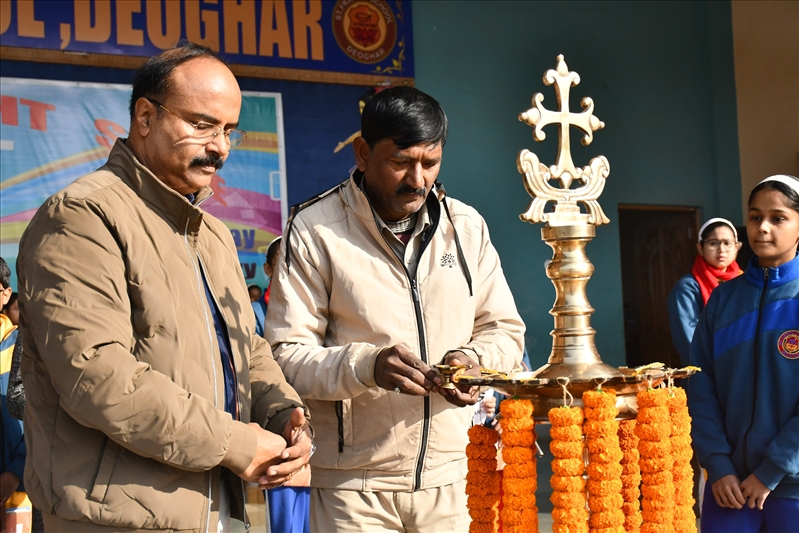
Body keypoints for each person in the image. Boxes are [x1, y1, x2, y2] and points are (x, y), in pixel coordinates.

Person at [16, 42, 312, 532]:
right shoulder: (82, 216)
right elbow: (97, 376)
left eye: (229, 131)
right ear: (145, 117)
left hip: (216, 509)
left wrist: (284, 414)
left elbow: (248, 349)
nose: (220, 147)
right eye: (202, 125)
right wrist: (237, 444)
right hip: (116, 517)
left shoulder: (212, 234)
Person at [266, 86, 525, 532]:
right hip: (353, 487)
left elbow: (504, 330)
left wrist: (473, 361)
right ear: (363, 153)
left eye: (431, 162)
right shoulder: (315, 230)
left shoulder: (466, 227)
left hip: (453, 476)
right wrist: (366, 366)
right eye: (401, 161)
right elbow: (286, 355)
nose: (418, 179)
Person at [688, 174, 799, 533]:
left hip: (792, 488)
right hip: (729, 487)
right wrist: (717, 463)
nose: (763, 227)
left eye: (778, 218)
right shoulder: (724, 299)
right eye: (755, 217)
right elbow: (700, 385)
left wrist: (771, 471)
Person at [668, 217, 743, 367]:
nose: (722, 250)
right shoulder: (688, 288)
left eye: (727, 243)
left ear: (737, 247)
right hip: (707, 370)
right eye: (713, 243)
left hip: (742, 367)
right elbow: (689, 342)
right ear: (700, 248)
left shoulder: (744, 281)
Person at [1, 258, 24, 531]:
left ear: (6, 294)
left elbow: (41, 413)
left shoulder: (24, 347)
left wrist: (16, 470)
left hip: (19, 486)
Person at [253, 237, 282, 337]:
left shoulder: (315, 305)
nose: (290, 271)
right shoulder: (256, 312)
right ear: (268, 269)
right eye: (282, 265)